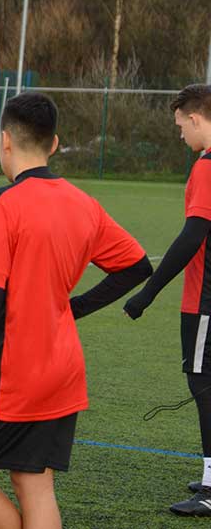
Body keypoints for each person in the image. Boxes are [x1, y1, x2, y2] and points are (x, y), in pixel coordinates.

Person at [0, 92, 152, 528]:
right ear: (54, 143)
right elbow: (137, 266)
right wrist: (71, 308)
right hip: (61, 368)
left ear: (4, 140)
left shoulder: (1, 204)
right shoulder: (82, 203)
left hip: (12, 372)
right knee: (34, 484)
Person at [123, 84, 211, 517]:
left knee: (204, 383)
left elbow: (193, 236)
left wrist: (147, 293)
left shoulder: (208, 167)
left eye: (181, 126)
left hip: (206, 301)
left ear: (196, 119)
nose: (180, 135)